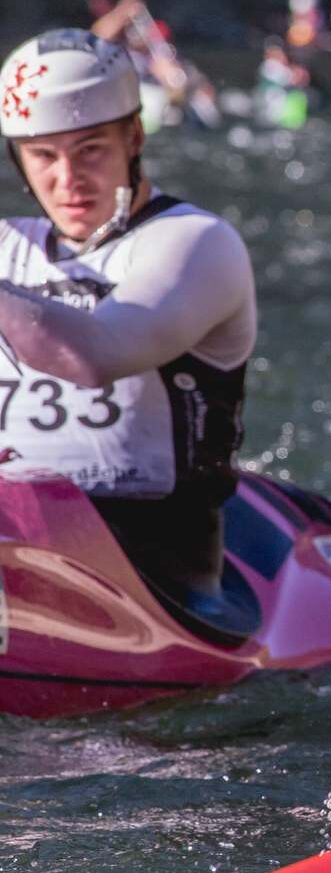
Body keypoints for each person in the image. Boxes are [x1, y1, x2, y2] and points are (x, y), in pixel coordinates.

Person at [0, 31, 254, 618]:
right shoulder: (10, 245)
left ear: (134, 137)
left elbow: (97, 354)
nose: (68, 179)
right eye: (43, 155)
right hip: (21, 530)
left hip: (160, 571)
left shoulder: (197, 244)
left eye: (90, 149)